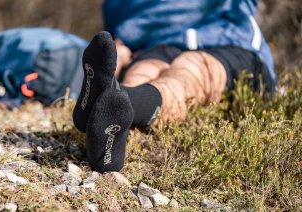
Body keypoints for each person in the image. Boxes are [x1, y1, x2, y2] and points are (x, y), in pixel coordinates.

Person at [72, 0, 277, 173]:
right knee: (143, 72)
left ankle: (112, 102)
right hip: (158, 45)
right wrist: (121, 47)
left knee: (190, 68)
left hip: (227, 41)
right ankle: (115, 111)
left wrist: (125, 38)